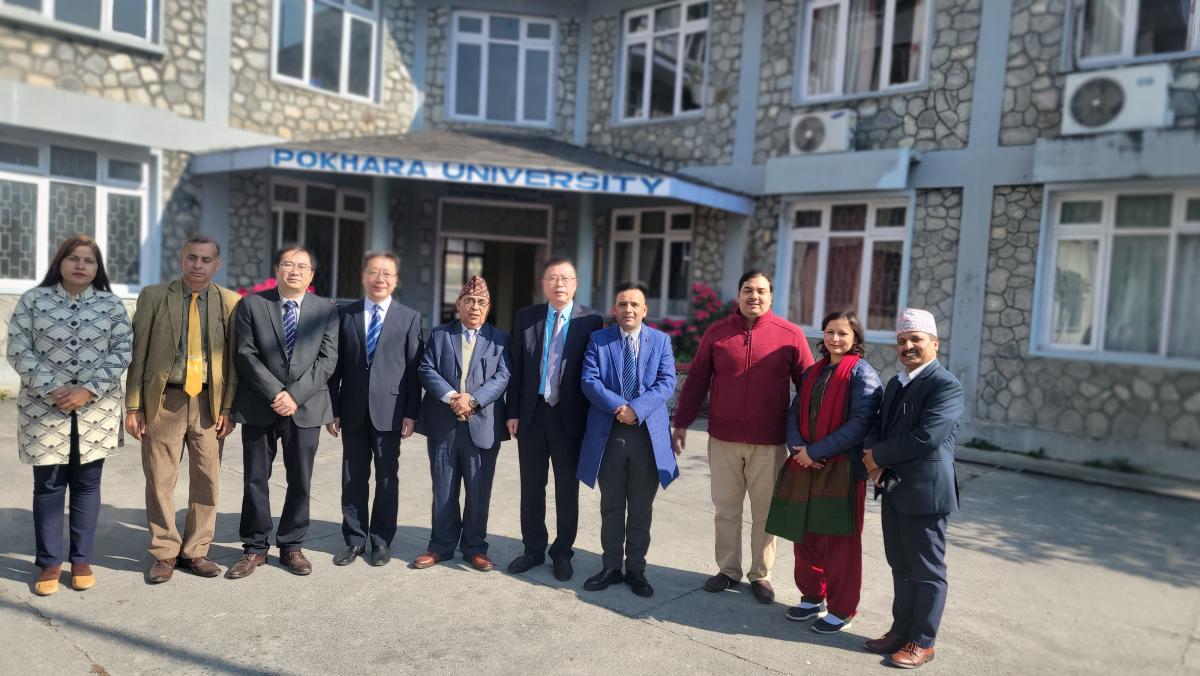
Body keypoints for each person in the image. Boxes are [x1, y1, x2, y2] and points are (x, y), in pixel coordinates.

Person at [671, 270, 814, 603]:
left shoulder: (790, 335)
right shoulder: (717, 332)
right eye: (748, 290)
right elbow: (696, 381)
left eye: (761, 291)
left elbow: (808, 388)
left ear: (771, 296)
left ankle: (761, 574)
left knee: (765, 513)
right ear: (738, 295)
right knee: (726, 510)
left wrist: (808, 436)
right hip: (723, 439)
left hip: (769, 442)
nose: (754, 296)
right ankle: (728, 570)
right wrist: (681, 423)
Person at [6, 235, 132, 596]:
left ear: (98, 268)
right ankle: (49, 563)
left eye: (89, 260)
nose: (80, 265)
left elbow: (123, 349)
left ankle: (81, 560)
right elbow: (18, 348)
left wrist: (87, 390)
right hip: (44, 411)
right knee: (48, 486)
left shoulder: (111, 305)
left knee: (87, 484)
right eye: (73, 258)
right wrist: (53, 389)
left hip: (96, 411)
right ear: (59, 262)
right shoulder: (34, 301)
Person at [126, 235, 242, 584]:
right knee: (160, 478)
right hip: (164, 400)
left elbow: (233, 362)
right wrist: (134, 405)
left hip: (209, 402)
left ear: (217, 264)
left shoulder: (230, 302)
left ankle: (196, 551)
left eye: (206, 259)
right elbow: (138, 353)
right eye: (192, 257)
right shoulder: (154, 296)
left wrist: (229, 407)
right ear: (182, 259)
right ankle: (165, 551)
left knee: (207, 478)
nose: (198, 265)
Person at [227, 245, 339, 579]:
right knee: (255, 478)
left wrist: (295, 395)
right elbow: (244, 353)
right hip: (260, 405)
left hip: (306, 406)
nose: (294, 271)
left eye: (302, 266)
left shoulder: (326, 310)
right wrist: (276, 393)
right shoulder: (252, 305)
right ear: (277, 269)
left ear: (311, 275)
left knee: (300, 480)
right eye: (288, 264)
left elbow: (328, 359)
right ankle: (255, 547)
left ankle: (292, 545)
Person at [861, 308, 964, 669]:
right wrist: (872, 458)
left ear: (935, 343)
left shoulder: (945, 385)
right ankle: (900, 631)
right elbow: (878, 426)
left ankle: (922, 641)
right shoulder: (897, 383)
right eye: (902, 341)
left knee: (927, 571)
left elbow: (926, 437)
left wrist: (876, 457)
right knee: (900, 566)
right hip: (893, 489)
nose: (908, 346)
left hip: (925, 494)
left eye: (916, 339)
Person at [780, 311, 882, 633]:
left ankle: (842, 609)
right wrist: (798, 448)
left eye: (843, 333)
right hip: (806, 464)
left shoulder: (863, 374)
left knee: (840, 543)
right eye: (829, 332)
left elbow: (861, 424)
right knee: (805, 535)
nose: (835, 339)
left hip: (842, 469)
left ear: (856, 338)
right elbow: (795, 411)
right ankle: (812, 597)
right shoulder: (814, 371)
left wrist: (815, 452)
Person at [577, 282, 678, 598]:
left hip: (647, 436)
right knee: (611, 505)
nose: (629, 310)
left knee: (640, 508)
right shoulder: (599, 340)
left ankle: (636, 569)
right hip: (609, 435)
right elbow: (589, 380)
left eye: (635, 304)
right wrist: (619, 408)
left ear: (645, 310)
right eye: (622, 304)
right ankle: (610, 566)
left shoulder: (660, 341)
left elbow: (666, 383)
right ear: (614, 310)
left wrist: (636, 409)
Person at [505, 258, 604, 581]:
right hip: (532, 414)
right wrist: (512, 412)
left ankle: (562, 552)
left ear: (575, 284)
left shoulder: (591, 320)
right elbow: (517, 367)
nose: (559, 284)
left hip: (569, 416)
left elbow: (594, 371)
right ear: (543, 283)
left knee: (566, 489)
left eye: (565, 278)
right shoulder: (527, 317)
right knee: (532, 486)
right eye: (552, 278)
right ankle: (533, 549)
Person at [326, 252, 423, 567]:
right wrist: (333, 408)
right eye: (373, 272)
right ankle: (354, 539)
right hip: (352, 409)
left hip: (391, 411)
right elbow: (335, 367)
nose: (380, 279)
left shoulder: (409, 317)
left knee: (386, 479)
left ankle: (381, 540)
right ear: (363, 276)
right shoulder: (345, 314)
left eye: (387, 273)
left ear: (396, 280)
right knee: (353, 478)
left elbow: (413, 370)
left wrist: (411, 413)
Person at [414, 276, 511, 572]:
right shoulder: (440, 335)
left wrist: (474, 400)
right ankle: (440, 546)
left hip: (482, 426)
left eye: (481, 302)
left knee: (479, 491)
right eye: (469, 301)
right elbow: (426, 368)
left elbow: (503, 377)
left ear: (488, 307)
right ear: (458, 304)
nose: (474, 307)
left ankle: (475, 548)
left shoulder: (500, 340)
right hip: (444, 424)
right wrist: (453, 397)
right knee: (443, 488)